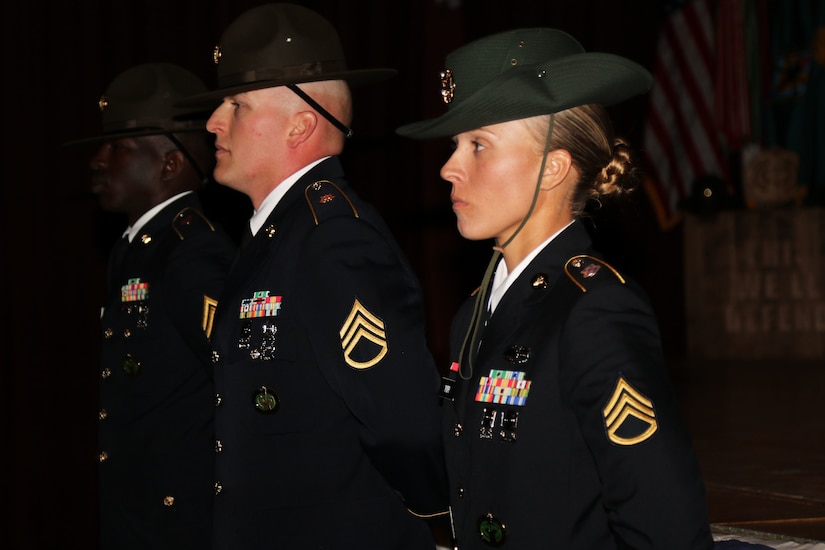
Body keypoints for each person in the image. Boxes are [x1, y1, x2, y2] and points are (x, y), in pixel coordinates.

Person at [396, 28, 714, 549]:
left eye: (478, 144)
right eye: (456, 145)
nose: (449, 167)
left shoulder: (595, 308)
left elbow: (664, 519)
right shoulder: (475, 313)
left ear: (553, 167)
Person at [179, 3, 449, 548]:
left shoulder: (332, 237)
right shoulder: (277, 235)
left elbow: (402, 418)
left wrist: (438, 526)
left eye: (236, 105)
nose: (212, 123)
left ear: (300, 125)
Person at [65, 62, 237, 549]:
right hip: (139, 511)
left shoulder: (191, 251)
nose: (98, 160)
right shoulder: (137, 247)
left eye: (118, 148)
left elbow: (235, 373)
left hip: (178, 520)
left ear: (169, 164)